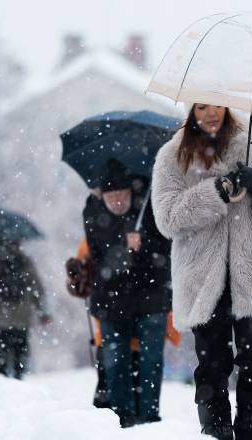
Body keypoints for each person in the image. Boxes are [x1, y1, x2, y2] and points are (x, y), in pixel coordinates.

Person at [151, 103, 252, 440]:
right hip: (203, 279)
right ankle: (216, 432)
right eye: (201, 106)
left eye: (216, 104)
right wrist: (215, 192)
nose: (210, 113)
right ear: (191, 109)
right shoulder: (173, 155)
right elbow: (168, 218)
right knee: (213, 365)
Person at [84, 159, 172, 427]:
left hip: (151, 295)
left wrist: (143, 244)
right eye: (111, 196)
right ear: (102, 195)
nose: (118, 200)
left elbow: (166, 250)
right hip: (111, 299)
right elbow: (98, 254)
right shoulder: (92, 211)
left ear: (131, 191)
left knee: (151, 359)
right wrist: (124, 244)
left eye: (122, 194)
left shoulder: (151, 205)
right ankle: (123, 418)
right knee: (114, 361)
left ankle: (149, 415)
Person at [0, 239, 51, 379]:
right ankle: (19, 384)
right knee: (20, 355)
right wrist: (43, 312)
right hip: (20, 317)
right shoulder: (24, 261)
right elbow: (37, 288)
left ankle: (1, 386)